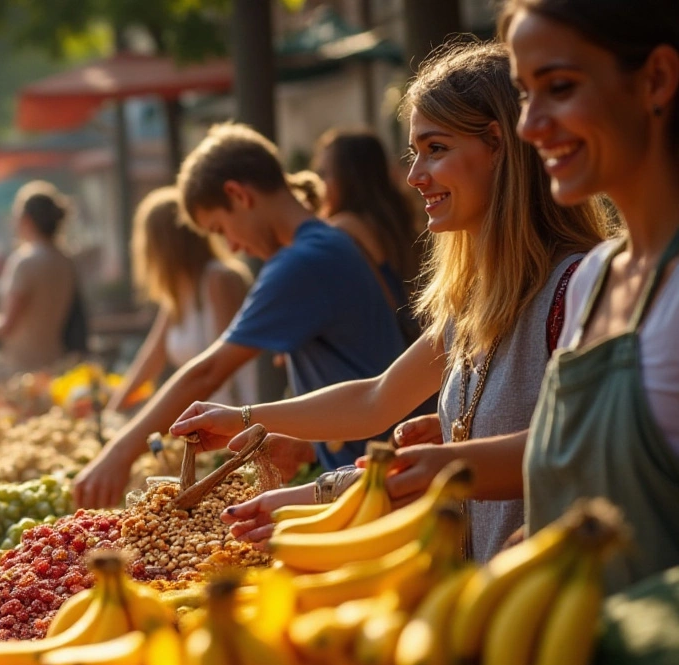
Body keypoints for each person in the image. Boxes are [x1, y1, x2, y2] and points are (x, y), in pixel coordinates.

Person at [171, 41, 607, 562]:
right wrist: (245, 419)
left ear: (499, 146)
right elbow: (378, 399)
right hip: (480, 602)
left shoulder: (578, 285)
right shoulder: (476, 301)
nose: (414, 175)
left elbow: (588, 445)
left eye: (436, 148)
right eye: (414, 152)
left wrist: (447, 462)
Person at [73, 122, 415, 509]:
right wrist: (309, 445)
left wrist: (120, 453)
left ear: (238, 195)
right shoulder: (326, 245)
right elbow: (358, 372)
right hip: (364, 472)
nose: (233, 246)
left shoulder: (302, 261)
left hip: (378, 488)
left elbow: (206, 373)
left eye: (221, 229)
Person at [503, 0, 679, 590]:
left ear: (656, 78)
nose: (529, 125)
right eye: (524, 93)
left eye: (558, 87)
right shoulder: (592, 279)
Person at [105, 185, 257, 413]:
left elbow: (222, 367)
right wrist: (112, 408)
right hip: (209, 418)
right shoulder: (179, 291)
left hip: (237, 418)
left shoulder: (218, 280)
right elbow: (152, 357)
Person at [0, 180, 80, 373]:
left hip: (24, 368)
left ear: (26, 220)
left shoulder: (25, 262)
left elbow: (6, 326)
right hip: (55, 361)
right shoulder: (65, 261)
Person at [313, 129, 423, 327]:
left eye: (325, 174)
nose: (319, 185)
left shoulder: (344, 226)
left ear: (349, 178)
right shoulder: (393, 221)